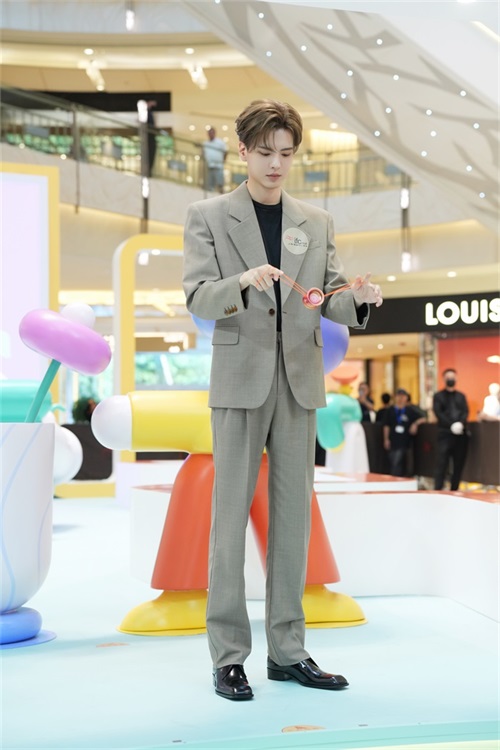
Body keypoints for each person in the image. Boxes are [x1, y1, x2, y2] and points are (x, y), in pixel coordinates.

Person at [183, 99, 382, 701]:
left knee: (293, 521)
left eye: (286, 154)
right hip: (239, 380)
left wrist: (359, 298)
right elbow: (198, 296)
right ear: (243, 150)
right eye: (266, 152)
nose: (276, 164)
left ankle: (288, 652)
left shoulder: (315, 221)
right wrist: (241, 283)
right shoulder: (207, 216)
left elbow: (330, 296)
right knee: (228, 521)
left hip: (299, 381)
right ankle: (228, 657)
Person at [432, 368, 469, 491]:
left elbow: (465, 412)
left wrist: (460, 424)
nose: (450, 379)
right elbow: (438, 412)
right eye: (448, 377)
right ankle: (438, 489)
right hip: (445, 434)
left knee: (458, 464)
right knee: (441, 463)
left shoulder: (461, 396)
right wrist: (451, 425)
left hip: (460, 435)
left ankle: (454, 489)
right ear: (444, 379)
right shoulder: (438, 396)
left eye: (452, 377)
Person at [383, 389, 426, 477]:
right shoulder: (390, 410)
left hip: (404, 440)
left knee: (398, 461)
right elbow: (386, 426)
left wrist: (415, 424)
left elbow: (424, 418)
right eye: (399, 396)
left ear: (406, 398)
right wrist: (386, 439)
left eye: (403, 396)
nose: (400, 398)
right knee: (393, 460)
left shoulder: (410, 410)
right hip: (393, 439)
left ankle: (396, 478)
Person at [202, 127, 227, 193]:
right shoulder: (206, 143)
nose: (211, 134)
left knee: (220, 183)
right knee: (209, 184)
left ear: (214, 133)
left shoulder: (220, 142)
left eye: (212, 133)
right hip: (209, 165)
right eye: (209, 133)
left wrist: (223, 160)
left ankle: (221, 193)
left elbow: (225, 151)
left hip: (218, 165)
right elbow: (203, 153)